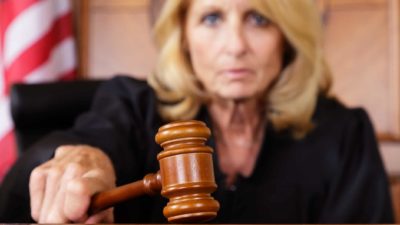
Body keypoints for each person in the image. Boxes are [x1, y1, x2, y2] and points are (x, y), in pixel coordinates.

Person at [0, 0, 394, 223]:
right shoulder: (135, 105)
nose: (235, 44)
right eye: (212, 18)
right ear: (183, 36)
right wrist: (83, 163)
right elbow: (91, 142)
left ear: (287, 38)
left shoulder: (344, 133)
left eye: (258, 19)